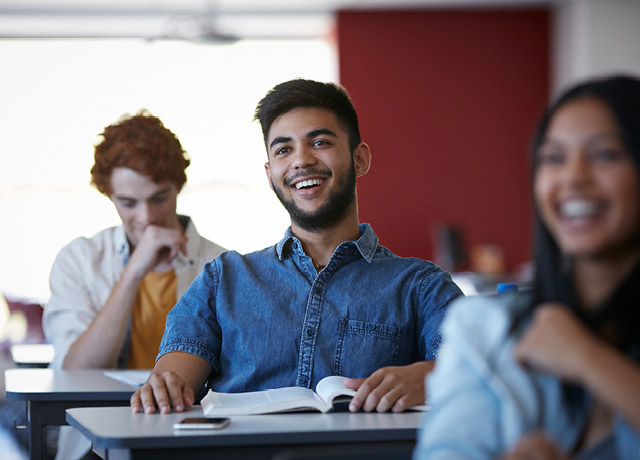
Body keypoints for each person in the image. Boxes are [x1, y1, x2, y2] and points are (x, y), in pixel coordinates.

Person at [130, 78, 463, 416]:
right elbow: (172, 382)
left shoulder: (421, 285)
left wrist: (428, 376)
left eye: (319, 142)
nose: (301, 160)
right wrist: (163, 386)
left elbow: (478, 368)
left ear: (359, 159)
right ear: (270, 172)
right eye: (283, 149)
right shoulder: (222, 279)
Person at [415, 75, 640, 459]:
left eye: (605, 154)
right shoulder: (486, 330)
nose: (573, 177)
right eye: (553, 158)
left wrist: (587, 359)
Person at [43, 110, 226, 459]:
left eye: (158, 198)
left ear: (178, 186)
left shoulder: (221, 266)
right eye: (128, 203)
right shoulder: (79, 260)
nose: (145, 217)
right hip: (95, 440)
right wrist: (133, 272)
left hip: (191, 437)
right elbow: (77, 373)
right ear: (108, 195)